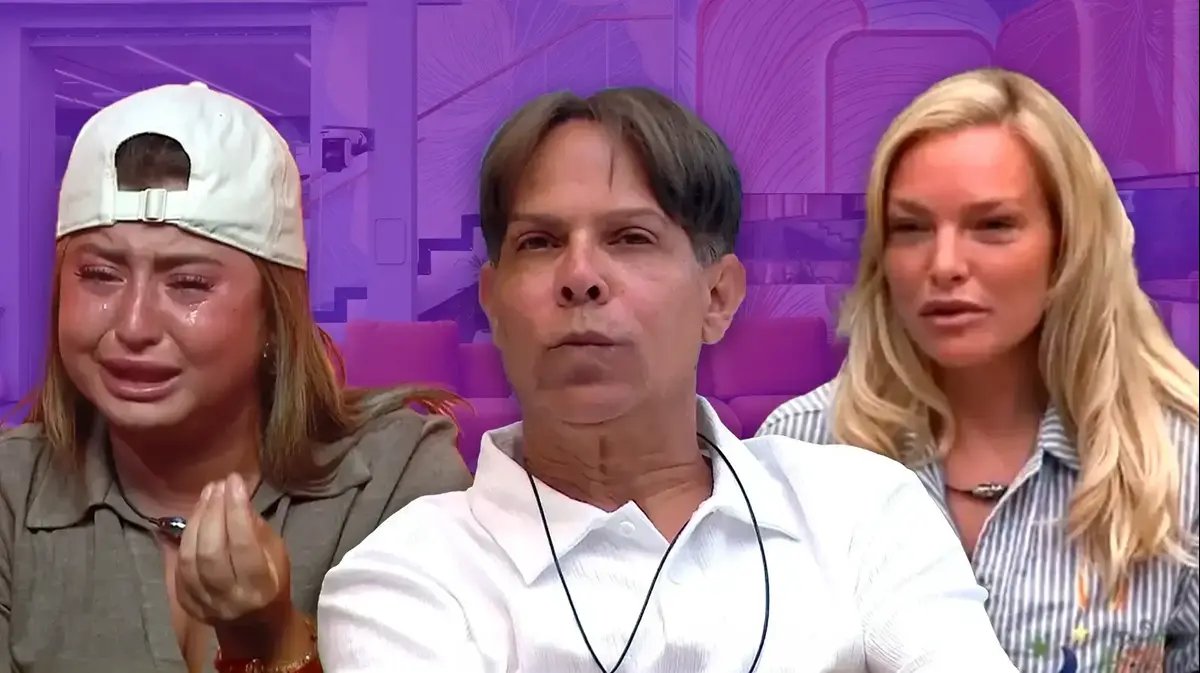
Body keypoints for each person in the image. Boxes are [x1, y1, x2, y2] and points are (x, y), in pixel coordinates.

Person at [316, 86, 1019, 672]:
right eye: (541, 242)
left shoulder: (859, 511)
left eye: (631, 237)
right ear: (493, 303)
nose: (580, 276)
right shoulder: (406, 581)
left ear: (718, 297)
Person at [0, 82, 473, 673]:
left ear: (274, 317)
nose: (134, 324)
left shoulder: (397, 481)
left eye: (188, 284)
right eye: (100, 275)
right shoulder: (11, 492)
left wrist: (275, 643)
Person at [758, 68, 1199, 673]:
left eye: (993, 225)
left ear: (1069, 245)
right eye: (911, 228)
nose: (944, 265)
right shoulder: (799, 449)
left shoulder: (1180, 461)